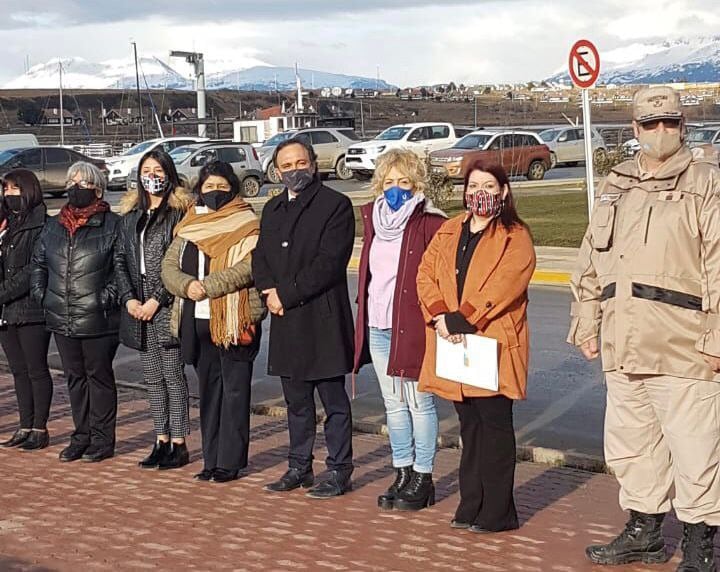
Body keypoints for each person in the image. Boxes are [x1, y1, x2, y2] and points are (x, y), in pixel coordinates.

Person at [568, 86, 720, 571]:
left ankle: (699, 546)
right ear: (634, 129)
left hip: (684, 347)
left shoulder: (705, 182)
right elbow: (590, 261)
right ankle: (644, 531)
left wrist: (716, 339)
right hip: (624, 344)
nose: (660, 132)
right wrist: (587, 322)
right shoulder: (617, 184)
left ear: (683, 126)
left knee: (696, 453)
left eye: (670, 123)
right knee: (633, 448)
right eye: (650, 124)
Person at [417, 160, 535, 533]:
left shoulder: (515, 235)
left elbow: (506, 284)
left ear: (502, 192)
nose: (479, 193)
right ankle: (471, 503)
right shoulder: (450, 229)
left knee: (495, 425)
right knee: (469, 425)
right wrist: (439, 315)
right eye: (473, 186)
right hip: (452, 340)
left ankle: (498, 511)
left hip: (492, 342)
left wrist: (463, 318)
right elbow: (425, 274)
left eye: (488, 186)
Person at [253, 137, 355, 499]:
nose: (294, 170)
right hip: (286, 320)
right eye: (287, 165)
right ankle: (299, 466)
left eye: (301, 163)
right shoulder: (273, 208)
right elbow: (261, 255)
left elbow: (329, 263)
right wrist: (269, 291)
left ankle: (340, 469)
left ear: (313, 164)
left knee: (334, 403)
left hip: (322, 319)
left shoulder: (335, 205)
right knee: (296, 403)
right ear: (277, 170)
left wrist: (287, 293)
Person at [161, 161, 266, 483]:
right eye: (209, 188)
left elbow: (250, 267)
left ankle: (230, 462)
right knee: (209, 393)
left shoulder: (247, 222)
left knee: (234, 393)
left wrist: (209, 286)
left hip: (235, 320)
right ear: (200, 191)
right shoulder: (189, 225)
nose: (215, 193)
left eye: (222, 187)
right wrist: (186, 286)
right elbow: (168, 267)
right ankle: (211, 458)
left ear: (232, 189)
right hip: (198, 321)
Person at [353, 149, 445, 511]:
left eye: (403, 182)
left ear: (416, 184)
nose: (395, 190)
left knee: (419, 403)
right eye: (389, 182)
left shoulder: (428, 223)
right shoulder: (374, 221)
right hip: (378, 324)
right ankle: (402, 470)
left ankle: (424, 476)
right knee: (393, 405)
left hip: (413, 327)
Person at [30, 162, 121, 463]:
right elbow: (39, 265)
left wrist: (103, 299)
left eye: (82, 182)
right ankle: (80, 436)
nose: (75, 187)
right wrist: (43, 296)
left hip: (98, 318)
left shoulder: (112, 224)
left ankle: (102, 439)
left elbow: (121, 271)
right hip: (61, 315)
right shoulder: (54, 226)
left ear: (97, 188)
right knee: (74, 378)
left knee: (99, 377)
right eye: (71, 181)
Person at [115, 149, 193, 470]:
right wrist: (130, 299)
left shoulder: (179, 213)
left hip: (166, 303)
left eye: (158, 170)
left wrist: (156, 300)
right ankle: (160, 438)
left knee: (173, 376)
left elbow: (179, 262)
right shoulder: (132, 216)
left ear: (169, 173)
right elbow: (120, 260)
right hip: (138, 304)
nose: (152, 176)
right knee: (152, 377)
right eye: (147, 170)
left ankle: (179, 442)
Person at [0, 169, 52, 450]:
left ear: (29, 190)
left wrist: (3, 293)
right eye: (6, 189)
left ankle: (39, 428)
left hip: (31, 308)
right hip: (6, 311)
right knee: (18, 371)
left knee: (36, 369)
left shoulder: (41, 224)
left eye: (15, 189)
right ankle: (24, 425)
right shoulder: (8, 224)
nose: (9, 195)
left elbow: (34, 267)